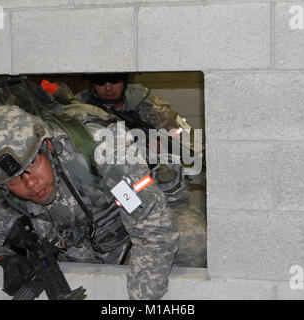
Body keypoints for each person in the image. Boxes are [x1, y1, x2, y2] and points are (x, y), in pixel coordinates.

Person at [0, 104, 200, 300]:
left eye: (32, 165)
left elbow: (154, 230)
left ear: (47, 145)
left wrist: (139, 301)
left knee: (192, 239)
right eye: (14, 181)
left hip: (131, 235)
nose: (30, 184)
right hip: (78, 253)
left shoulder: (105, 148)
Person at [76, 72, 207, 267]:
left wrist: (165, 151)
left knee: (195, 240)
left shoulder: (154, 109)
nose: (108, 87)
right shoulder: (77, 115)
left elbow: (193, 149)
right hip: (103, 209)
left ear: (126, 81)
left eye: (115, 80)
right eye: (100, 82)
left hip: (161, 199)